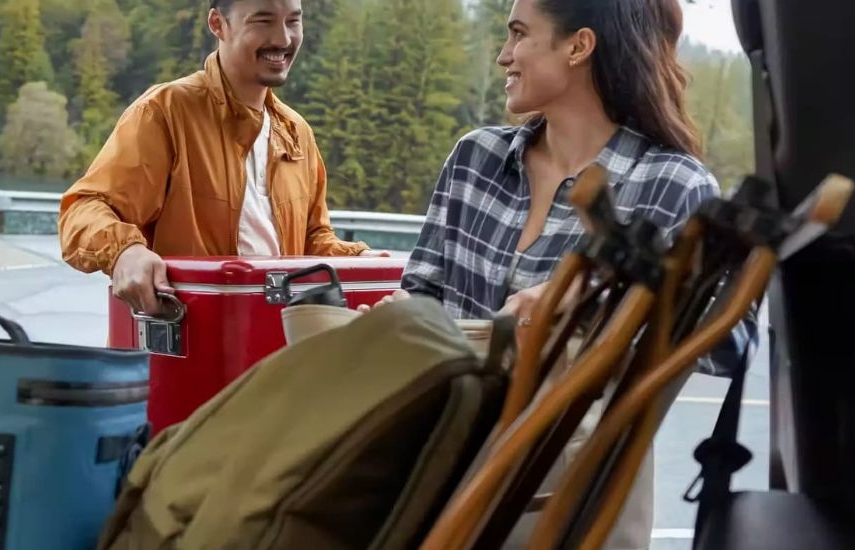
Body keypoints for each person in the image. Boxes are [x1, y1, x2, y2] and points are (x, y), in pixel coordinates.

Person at [377, 0, 759, 548]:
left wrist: (590, 300)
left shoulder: (672, 185)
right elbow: (422, 294)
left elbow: (731, 341)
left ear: (578, 46)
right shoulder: (474, 159)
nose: (504, 55)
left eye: (518, 34)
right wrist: (395, 320)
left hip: (578, 497)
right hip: (443, 473)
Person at [58, 0, 385, 315]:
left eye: (293, 20)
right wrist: (125, 253)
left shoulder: (296, 132)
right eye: (263, 20)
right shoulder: (165, 112)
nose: (284, 39)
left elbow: (312, 241)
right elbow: (83, 210)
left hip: (272, 344)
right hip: (182, 342)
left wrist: (363, 259)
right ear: (218, 24)